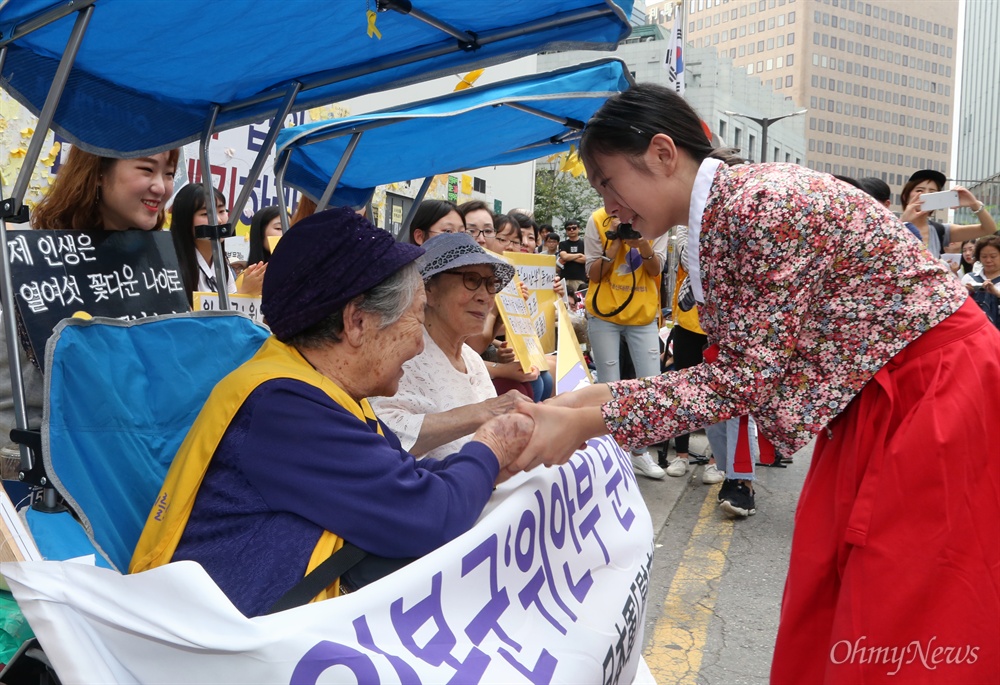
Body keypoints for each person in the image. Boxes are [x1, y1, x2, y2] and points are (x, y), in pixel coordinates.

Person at [511, 84, 999, 684]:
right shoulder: (726, 209)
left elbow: (745, 379)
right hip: (884, 390)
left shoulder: (759, 205)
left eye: (609, 183)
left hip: (934, 390)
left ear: (663, 153)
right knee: (840, 582)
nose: (610, 208)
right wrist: (592, 400)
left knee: (904, 599)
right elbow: (744, 369)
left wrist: (593, 417)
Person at [130, 207, 540, 618]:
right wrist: (491, 447)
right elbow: (430, 514)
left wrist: (489, 467)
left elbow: (403, 477)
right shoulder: (284, 406)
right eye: (416, 319)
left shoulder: (324, 389)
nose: (419, 347)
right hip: (223, 642)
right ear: (357, 322)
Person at [2, 147, 178, 471]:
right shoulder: (36, 264)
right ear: (98, 173)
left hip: (134, 461)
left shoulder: (157, 269)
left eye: (168, 173)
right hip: (45, 470)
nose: (161, 187)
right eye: (146, 169)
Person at [369, 233, 529, 460]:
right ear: (429, 289)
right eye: (471, 280)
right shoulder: (402, 356)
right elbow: (382, 431)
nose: (485, 296)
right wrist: (480, 412)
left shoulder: (472, 359)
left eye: (491, 284)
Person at [583, 208, 668, 480]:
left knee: (650, 384)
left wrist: (642, 243)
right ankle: (610, 453)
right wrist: (614, 245)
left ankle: (640, 452)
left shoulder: (658, 218)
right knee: (608, 384)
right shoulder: (598, 219)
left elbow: (656, 270)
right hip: (603, 312)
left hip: (642, 314)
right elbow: (593, 274)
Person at [169, 183, 266, 304]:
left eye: (221, 211)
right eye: (206, 214)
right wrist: (244, 293)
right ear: (185, 220)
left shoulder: (221, 263)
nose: (219, 220)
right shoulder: (172, 266)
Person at [899, 168, 996, 258]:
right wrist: (903, 222)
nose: (926, 194)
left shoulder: (939, 230)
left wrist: (974, 204)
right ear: (905, 196)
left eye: (932, 192)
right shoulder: (889, 225)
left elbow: (989, 229)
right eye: (919, 190)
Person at [961, 235, 1000, 331]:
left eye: (993, 256)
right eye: (984, 256)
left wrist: (996, 293)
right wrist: (965, 293)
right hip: (973, 331)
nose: (988, 260)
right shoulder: (969, 278)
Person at [558, 219, 587, 298]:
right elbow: (564, 257)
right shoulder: (563, 244)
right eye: (569, 228)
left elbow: (586, 259)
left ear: (578, 229)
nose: (571, 230)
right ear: (566, 231)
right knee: (565, 301)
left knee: (579, 303)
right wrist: (579, 254)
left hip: (580, 279)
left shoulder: (584, 244)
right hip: (565, 279)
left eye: (574, 228)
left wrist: (569, 257)